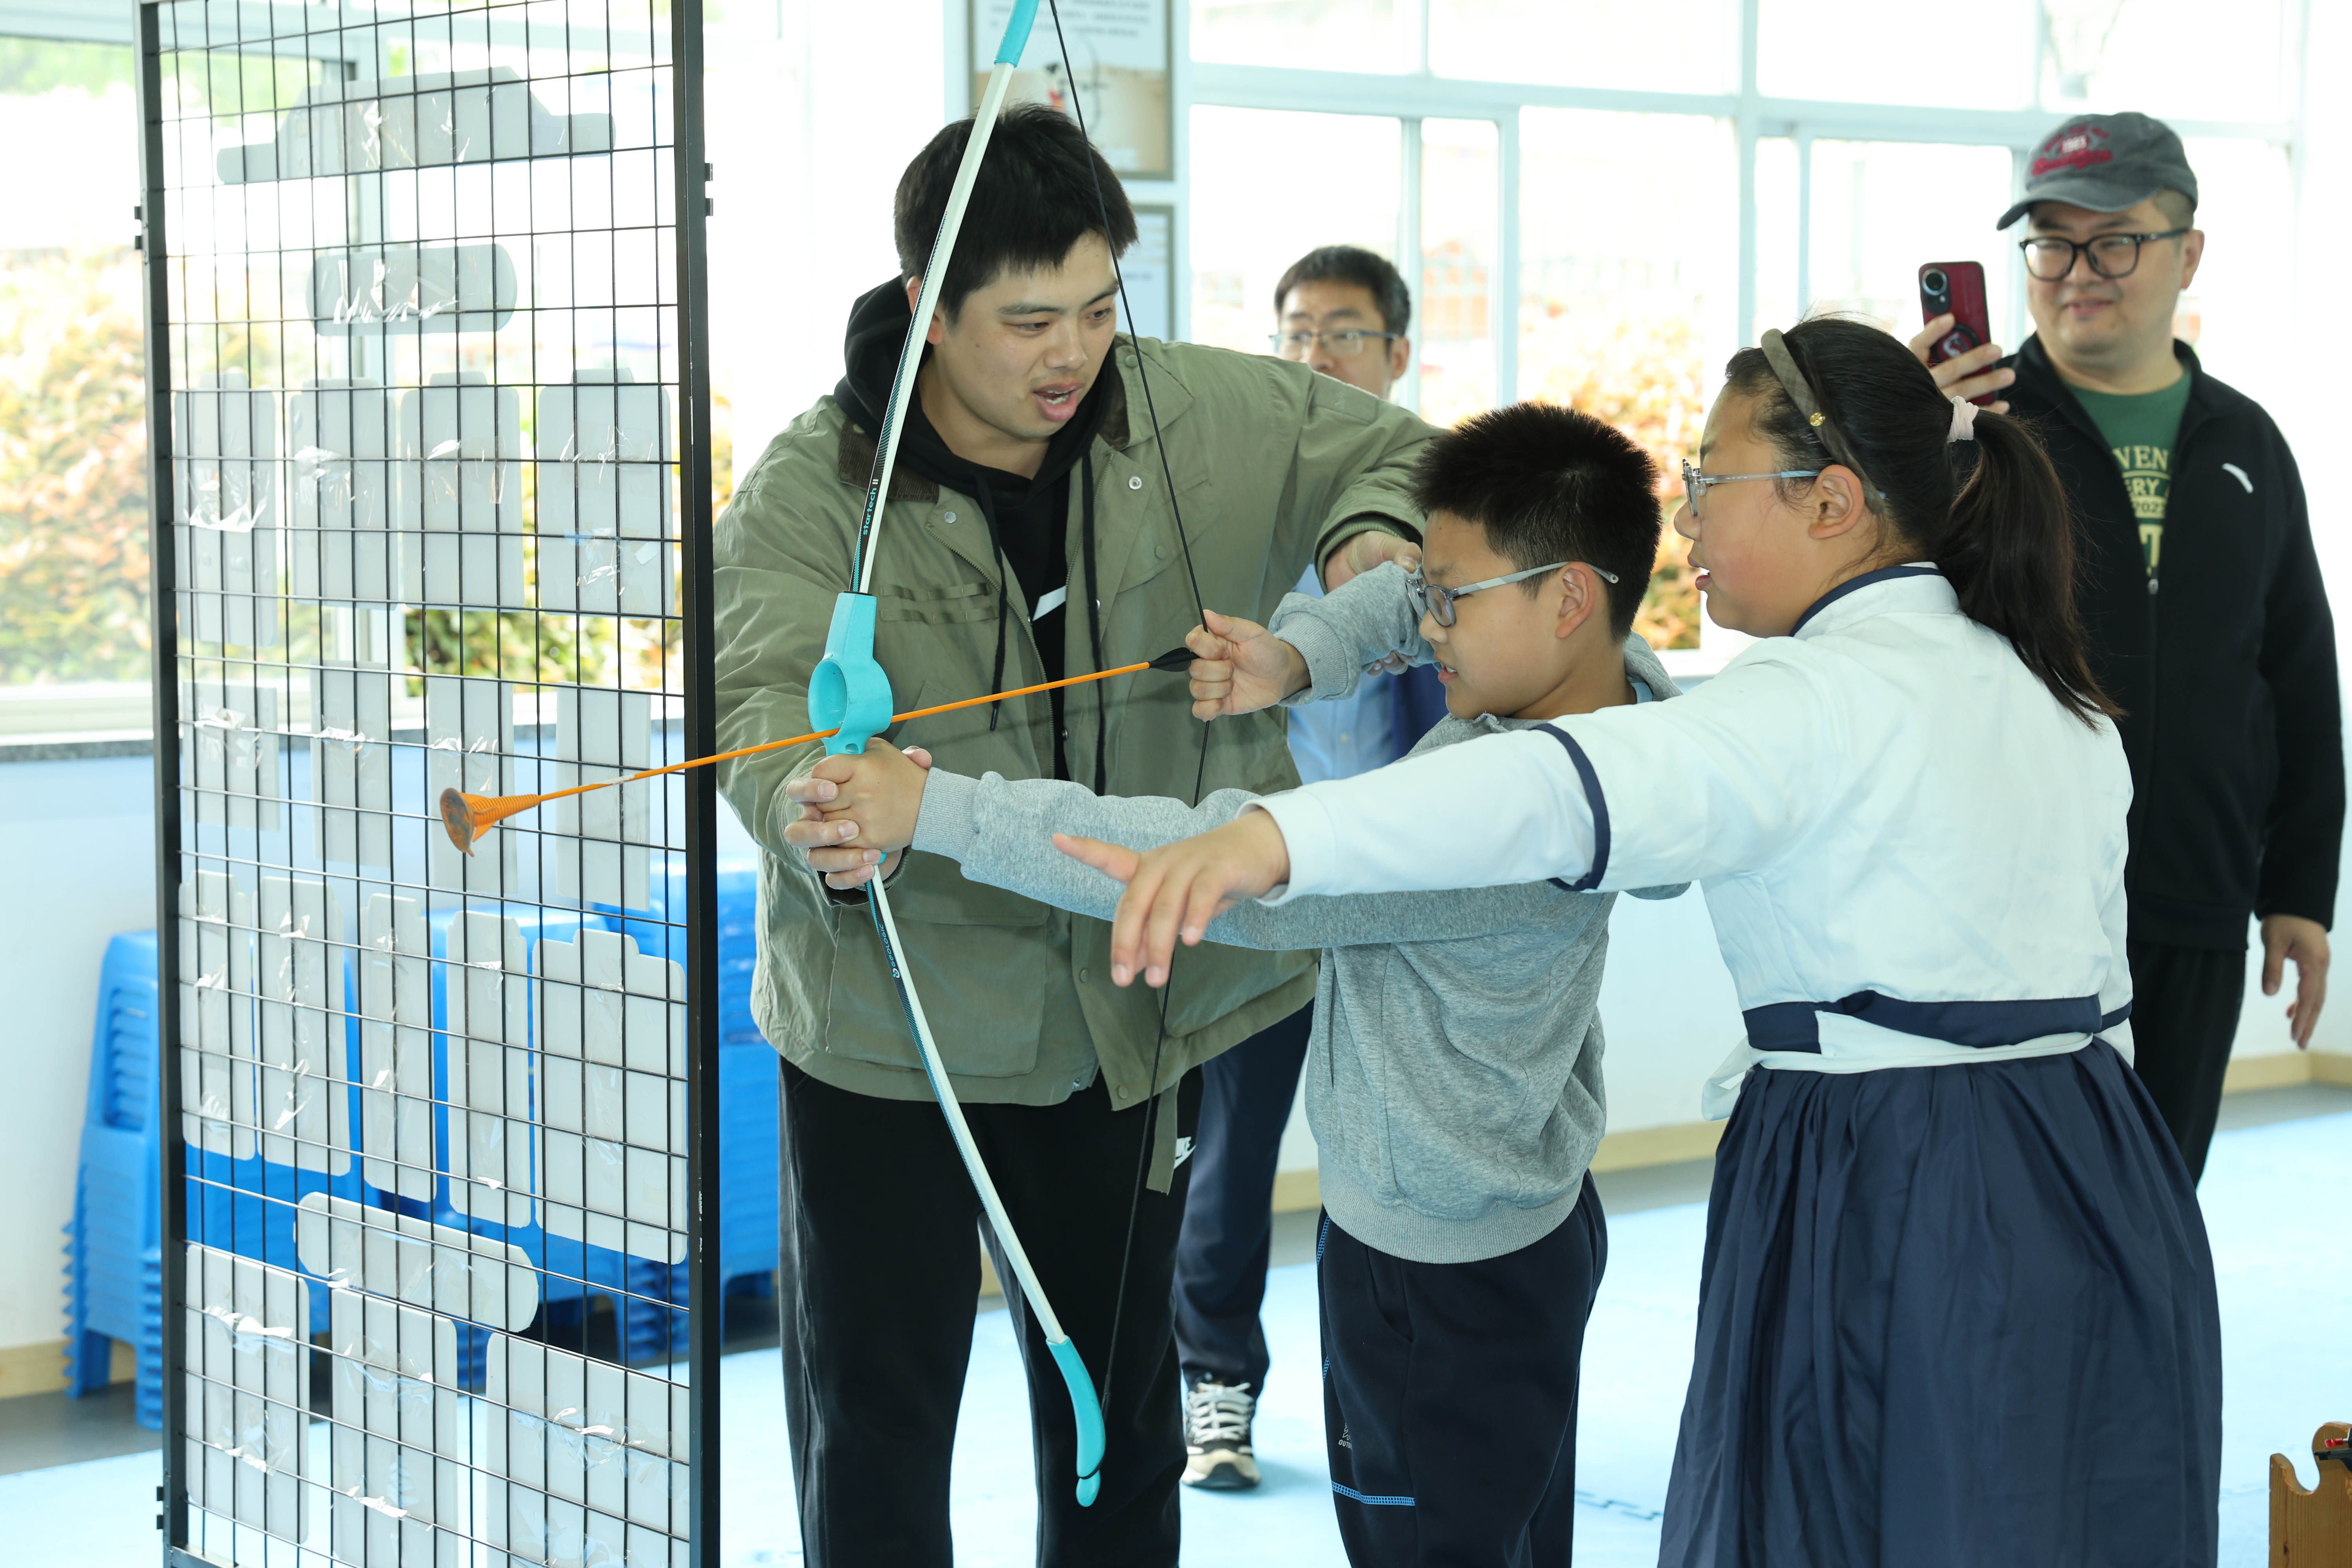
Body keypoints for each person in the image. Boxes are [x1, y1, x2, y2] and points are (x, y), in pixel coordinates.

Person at [1075, 319, 2225, 1565]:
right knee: (2047, 1507)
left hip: (1898, 1175)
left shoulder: (1809, 700)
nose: (1686, 520)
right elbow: (1511, 670)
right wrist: (1306, 663)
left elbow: (1545, 785)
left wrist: (1267, 841)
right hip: (2096, 1161)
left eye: (1708, 480)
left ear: (1831, 502)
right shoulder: (2043, 678)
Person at [713, 104, 1433, 1568]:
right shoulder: (818, 483)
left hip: (1120, 1017)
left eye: (1101, 309)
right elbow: (760, 696)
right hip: (890, 1031)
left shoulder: (1188, 412)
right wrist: (812, 804)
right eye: (1029, 321)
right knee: (876, 1430)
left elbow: (1407, 455)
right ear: (929, 306)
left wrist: (1363, 547)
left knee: (1120, 1427)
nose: (1073, 356)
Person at [808, 401, 1682, 1564]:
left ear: (1567, 598)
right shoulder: (1623, 691)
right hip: (1515, 1229)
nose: (1426, 623)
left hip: (1437, 1279)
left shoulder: (1487, 825)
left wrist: (940, 810)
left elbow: (1199, 853)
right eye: (1429, 591)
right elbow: (1403, 597)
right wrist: (1301, 654)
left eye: (1451, 602)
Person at [1913, 111, 2342, 1180]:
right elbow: (1882, 612)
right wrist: (1912, 450)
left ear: (2187, 253)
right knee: (2016, 1207)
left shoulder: (2247, 441)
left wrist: (2299, 887)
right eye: (2052, 245)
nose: (2076, 274)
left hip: (2195, 893)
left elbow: (2297, 672)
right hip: (2011, 900)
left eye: (2113, 242)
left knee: (2158, 1199)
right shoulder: (1974, 430)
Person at [1163, 243, 1450, 1494]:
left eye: (1342, 333)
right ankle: (1215, 1385)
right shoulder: (1241, 523)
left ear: (1397, 355)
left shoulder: (1449, 522)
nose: (1314, 355)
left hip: (1404, 898)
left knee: (1404, 1157)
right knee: (1230, 1160)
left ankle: (1395, 1403)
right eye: (1294, 333)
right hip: (1263, 891)